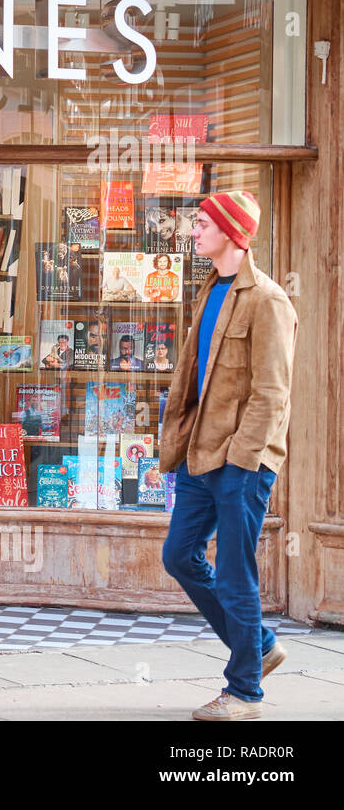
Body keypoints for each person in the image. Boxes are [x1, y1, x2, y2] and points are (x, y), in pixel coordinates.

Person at [159, 191, 297, 721]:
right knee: (178, 555)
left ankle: (244, 693)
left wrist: (242, 459)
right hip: (200, 453)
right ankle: (259, 645)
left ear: (231, 232)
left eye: (201, 223)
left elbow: (272, 393)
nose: (193, 232)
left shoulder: (268, 300)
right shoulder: (209, 290)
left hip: (242, 461)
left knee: (236, 573)